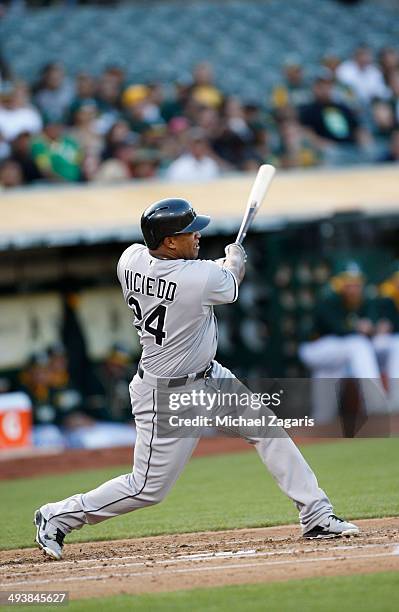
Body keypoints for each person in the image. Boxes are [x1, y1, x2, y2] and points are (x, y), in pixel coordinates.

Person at [34, 198, 359, 561]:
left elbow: (194, 278)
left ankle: (316, 515)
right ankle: (57, 515)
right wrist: (235, 259)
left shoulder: (130, 259)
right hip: (168, 394)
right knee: (147, 488)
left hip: (210, 378)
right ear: (170, 242)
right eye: (190, 232)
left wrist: (218, 267)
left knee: (268, 429)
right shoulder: (198, 277)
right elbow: (226, 281)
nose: (198, 236)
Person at [299, 262, 386, 423]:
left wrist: (370, 328)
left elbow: (371, 324)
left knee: (324, 410)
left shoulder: (364, 301)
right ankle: (376, 405)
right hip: (315, 348)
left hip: (336, 352)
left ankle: (320, 423)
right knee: (358, 345)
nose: (353, 288)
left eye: (356, 284)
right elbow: (337, 329)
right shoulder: (329, 299)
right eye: (349, 284)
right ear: (341, 284)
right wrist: (360, 328)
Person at [372, 261, 399, 412]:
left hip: (398, 350)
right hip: (381, 346)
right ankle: (397, 401)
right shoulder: (387, 300)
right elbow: (382, 329)